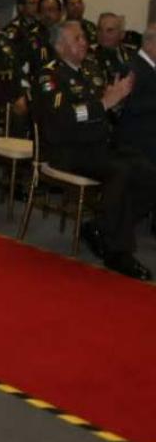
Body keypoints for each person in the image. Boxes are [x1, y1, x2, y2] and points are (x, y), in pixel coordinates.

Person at [31, 22, 155, 280]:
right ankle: (118, 253)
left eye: (84, 38)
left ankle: (100, 227)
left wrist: (115, 101)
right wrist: (104, 103)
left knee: (145, 169)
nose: (84, 43)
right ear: (60, 46)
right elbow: (62, 119)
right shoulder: (49, 75)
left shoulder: (89, 70)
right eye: (77, 39)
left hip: (96, 145)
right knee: (119, 172)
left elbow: (106, 109)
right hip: (67, 150)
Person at [116, 23, 156, 165]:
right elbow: (130, 104)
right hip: (139, 143)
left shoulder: (149, 67)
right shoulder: (132, 68)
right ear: (150, 44)